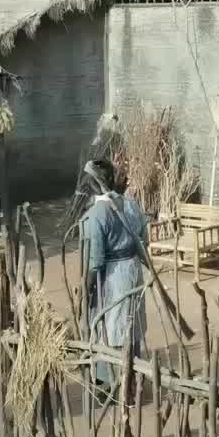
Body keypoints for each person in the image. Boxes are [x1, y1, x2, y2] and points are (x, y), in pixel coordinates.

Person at [80, 158, 149, 384]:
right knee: (130, 323)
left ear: (92, 184)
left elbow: (95, 261)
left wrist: (87, 287)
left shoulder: (96, 214)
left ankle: (113, 380)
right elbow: (144, 239)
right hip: (133, 270)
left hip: (112, 277)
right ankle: (132, 375)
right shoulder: (130, 205)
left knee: (112, 325)